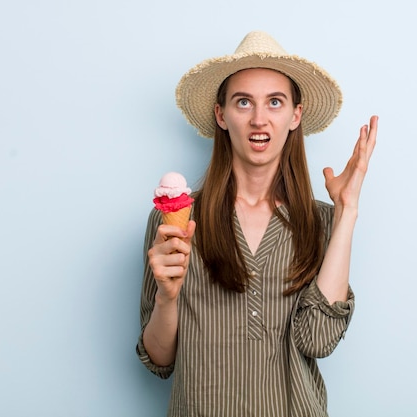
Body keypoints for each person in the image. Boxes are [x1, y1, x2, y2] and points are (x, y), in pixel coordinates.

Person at [136, 31, 378, 417]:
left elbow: (317, 340)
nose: (259, 119)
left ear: (295, 115)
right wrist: (167, 297)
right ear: (221, 115)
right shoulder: (175, 221)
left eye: (275, 102)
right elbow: (159, 359)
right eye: (243, 102)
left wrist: (347, 211)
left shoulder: (323, 222)